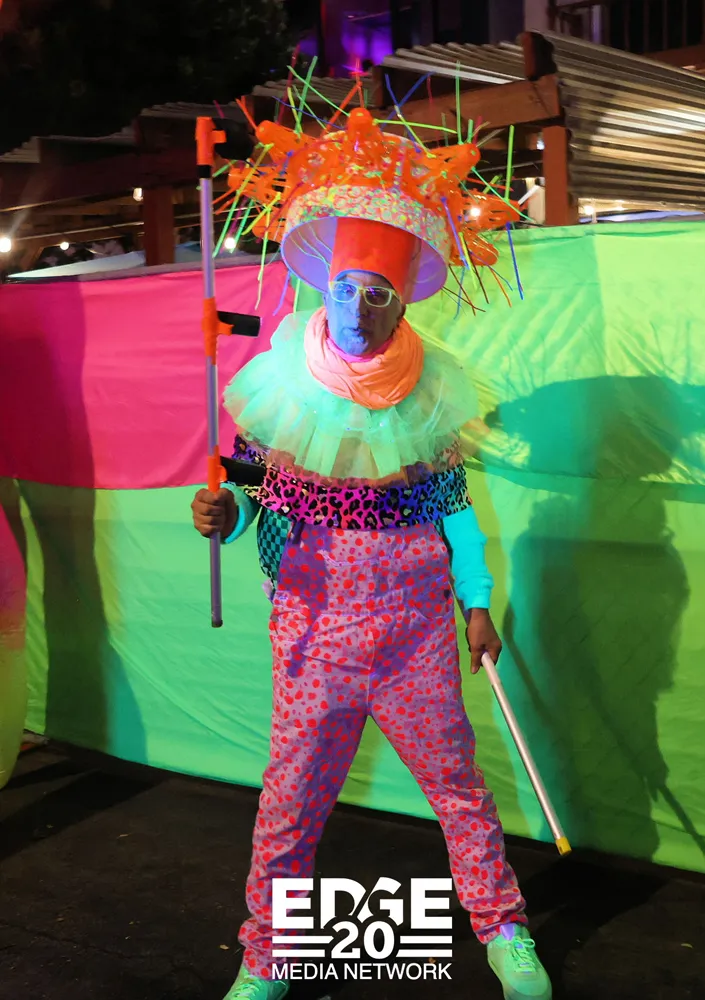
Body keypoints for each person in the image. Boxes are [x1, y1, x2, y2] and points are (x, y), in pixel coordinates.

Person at [191, 107, 552, 1000]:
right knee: (290, 803)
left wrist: (477, 602)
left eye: (378, 293)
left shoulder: (431, 397)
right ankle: (268, 957)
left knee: (458, 787)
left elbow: (454, 511)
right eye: (348, 287)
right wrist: (223, 516)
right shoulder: (280, 389)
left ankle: (504, 930)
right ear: (327, 284)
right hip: (312, 631)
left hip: (416, 633)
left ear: (404, 299)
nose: (359, 308)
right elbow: (254, 499)